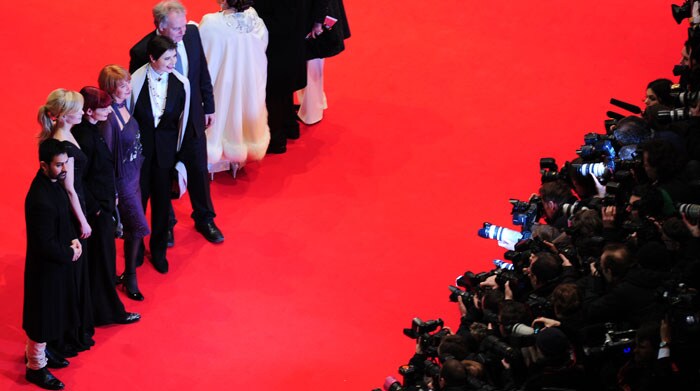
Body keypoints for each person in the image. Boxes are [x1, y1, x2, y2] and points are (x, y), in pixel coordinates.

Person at [129, 0, 224, 245]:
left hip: (192, 121)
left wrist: (208, 106)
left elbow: (201, 71)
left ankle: (205, 218)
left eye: (183, 25)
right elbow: (138, 96)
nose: (182, 31)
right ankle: (166, 224)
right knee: (163, 176)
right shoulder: (141, 52)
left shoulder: (192, 34)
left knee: (199, 170)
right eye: (176, 28)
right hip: (164, 131)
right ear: (160, 28)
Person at [72, 86, 141, 324]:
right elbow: (79, 179)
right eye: (104, 107)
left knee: (102, 260)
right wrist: (98, 207)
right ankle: (108, 312)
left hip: (103, 205)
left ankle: (98, 309)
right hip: (97, 211)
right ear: (89, 111)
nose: (109, 110)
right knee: (103, 261)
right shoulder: (85, 137)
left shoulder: (91, 129)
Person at [37, 89, 94, 356]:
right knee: (75, 271)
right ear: (63, 115)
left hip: (76, 201)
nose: (83, 112)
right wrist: (83, 221)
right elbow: (69, 188)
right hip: (73, 209)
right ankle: (69, 332)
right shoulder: (62, 142)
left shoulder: (65, 134)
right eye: (78, 109)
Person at [23, 139, 82, 390]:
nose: (64, 170)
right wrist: (70, 253)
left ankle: (41, 354)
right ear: (43, 165)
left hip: (56, 263)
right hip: (44, 269)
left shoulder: (52, 184)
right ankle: (35, 367)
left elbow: (62, 217)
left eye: (65, 164)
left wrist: (72, 238)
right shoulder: (39, 199)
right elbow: (43, 244)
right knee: (42, 317)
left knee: (52, 312)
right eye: (58, 165)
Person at [130, 35, 190, 274]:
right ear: (152, 58)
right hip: (140, 156)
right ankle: (134, 250)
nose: (172, 62)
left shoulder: (181, 83)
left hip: (166, 156)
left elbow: (183, 124)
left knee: (162, 205)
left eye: (174, 56)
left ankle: (158, 251)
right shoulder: (134, 81)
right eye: (167, 58)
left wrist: (180, 159)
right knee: (137, 203)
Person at [98, 65, 151, 299]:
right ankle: (130, 277)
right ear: (111, 88)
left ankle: (129, 274)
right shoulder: (109, 119)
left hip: (135, 174)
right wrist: (114, 192)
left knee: (133, 228)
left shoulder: (124, 105)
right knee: (138, 226)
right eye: (122, 84)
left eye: (128, 82)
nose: (129, 87)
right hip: (122, 182)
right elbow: (107, 159)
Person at [199, 0, 270, 169]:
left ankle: (214, 161)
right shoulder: (256, 21)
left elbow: (202, 53)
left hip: (222, 83)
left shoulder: (211, 23)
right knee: (240, 114)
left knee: (221, 115)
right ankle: (238, 159)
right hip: (248, 84)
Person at [255, 0, 311, 153]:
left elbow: (278, 22)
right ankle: (290, 126)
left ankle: (276, 140)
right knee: (284, 91)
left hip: (278, 48)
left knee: (274, 93)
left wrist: (252, 19)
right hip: (291, 44)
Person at [297, 0, 351, 125]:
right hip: (315, 13)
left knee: (312, 62)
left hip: (315, 15)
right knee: (309, 62)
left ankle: (311, 112)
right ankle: (313, 105)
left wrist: (318, 22)